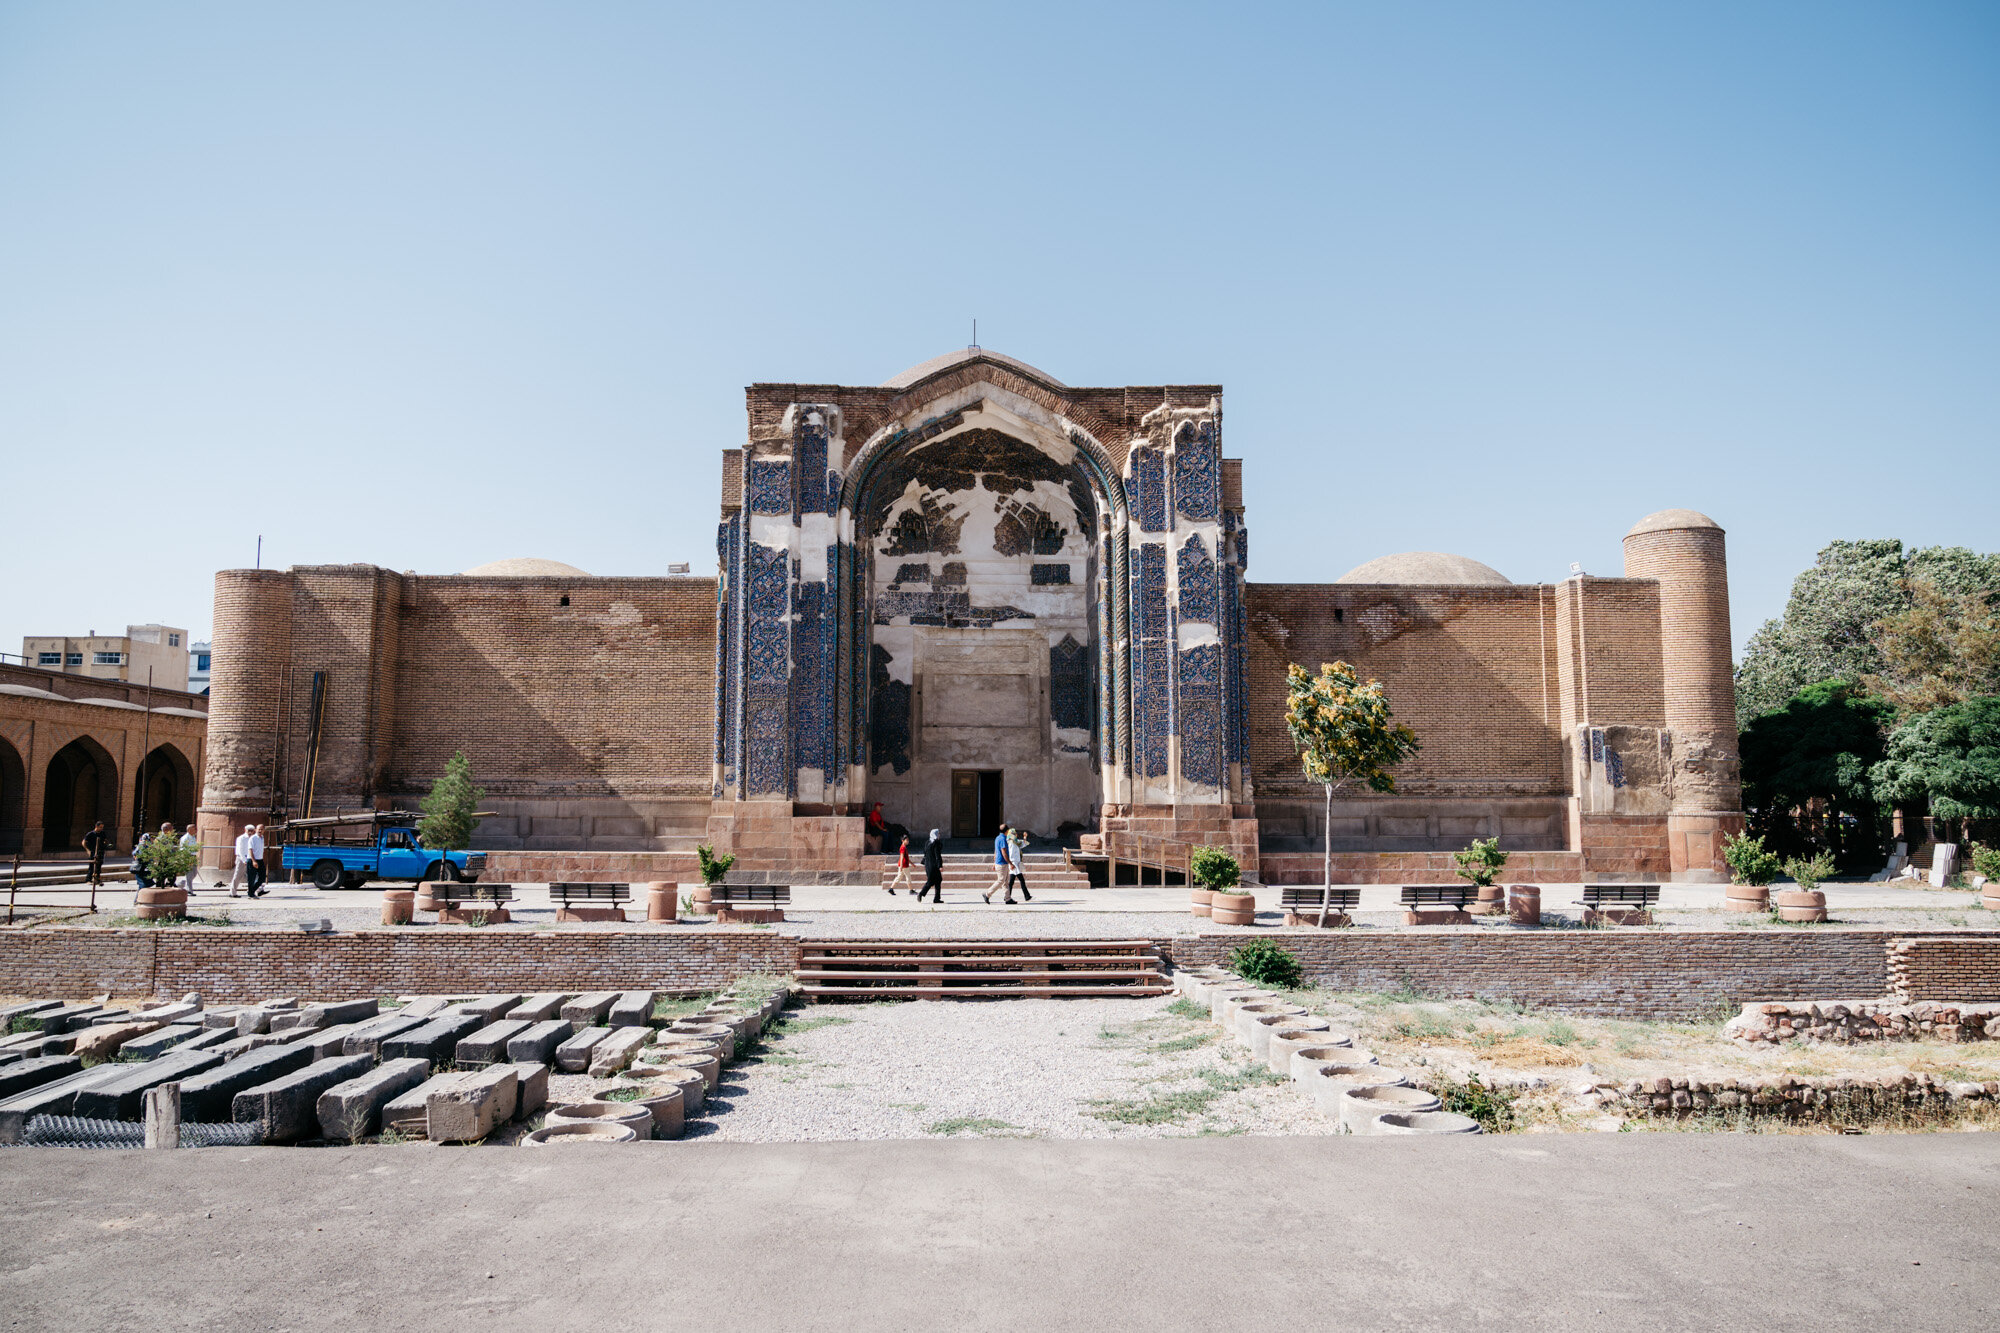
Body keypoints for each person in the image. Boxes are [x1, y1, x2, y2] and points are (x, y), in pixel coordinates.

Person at [982, 824, 1012, 904]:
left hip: (999, 862)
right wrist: (1010, 863)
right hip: (1002, 863)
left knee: (1005, 881)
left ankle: (1008, 898)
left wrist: (994, 863)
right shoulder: (1003, 839)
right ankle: (987, 894)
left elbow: (995, 851)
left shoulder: (998, 838)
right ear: (1007, 831)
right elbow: (1003, 852)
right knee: (1001, 880)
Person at [915, 829, 945, 903]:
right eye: (938, 834)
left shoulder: (928, 842)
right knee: (931, 881)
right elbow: (937, 856)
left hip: (928, 865)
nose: (939, 835)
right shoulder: (935, 843)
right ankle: (921, 894)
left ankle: (936, 898)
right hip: (934, 866)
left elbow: (925, 854)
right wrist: (940, 866)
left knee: (938, 880)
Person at [1004, 827, 1032, 903]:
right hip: (1014, 863)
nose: (1016, 835)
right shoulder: (1011, 842)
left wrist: (1025, 837)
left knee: (1012, 881)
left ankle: (1007, 897)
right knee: (1021, 880)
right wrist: (1011, 863)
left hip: (1015, 863)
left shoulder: (1015, 841)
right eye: (1014, 833)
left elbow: (1022, 844)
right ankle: (1027, 896)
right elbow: (1012, 853)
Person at [227, 826, 251, 897]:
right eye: (249, 830)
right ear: (245, 830)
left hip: (249, 857)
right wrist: (244, 860)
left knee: (253, 875)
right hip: (241, 858)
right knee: (238, 875)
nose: (250, 831)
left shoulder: (252, 838)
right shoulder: (241, 838)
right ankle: (233, 892)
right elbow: (240, 850)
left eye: (251, 830)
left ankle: (254, 890)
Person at [82, 821, 108, 885]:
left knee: (99, 866)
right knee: (92, 866)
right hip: (93, 852)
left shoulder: (102, 833)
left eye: (102, 827)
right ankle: (88, 880)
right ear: (96, 826)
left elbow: (105, 840)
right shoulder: (90, 834)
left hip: (100, 851)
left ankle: (97, 879)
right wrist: (88, 850)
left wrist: (106, 843)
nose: (101, 828)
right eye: (100, 827)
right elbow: (84, 842)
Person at [246, 824, 268, 897]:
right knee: (251, 878)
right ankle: (251, 894)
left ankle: (251, 891)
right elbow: (250, 850)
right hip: (252, 860)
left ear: (264, 830)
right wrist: (253, 861)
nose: (260, 831)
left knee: (262, 877)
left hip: (260, 860)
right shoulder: (253, 838)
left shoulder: (262, 838)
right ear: (255, 830)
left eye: (262, 829)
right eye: (259, 829)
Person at [178, 825, 201, 894]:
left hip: (193, 856)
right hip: (188, 856)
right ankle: (189, 890)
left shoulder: (193, 837)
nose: (196, 830)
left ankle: (181, 883)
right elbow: (182, 849)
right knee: (189, 874)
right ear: (189, 830)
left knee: (194, 873)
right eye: (194, 829)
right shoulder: (185, 838)